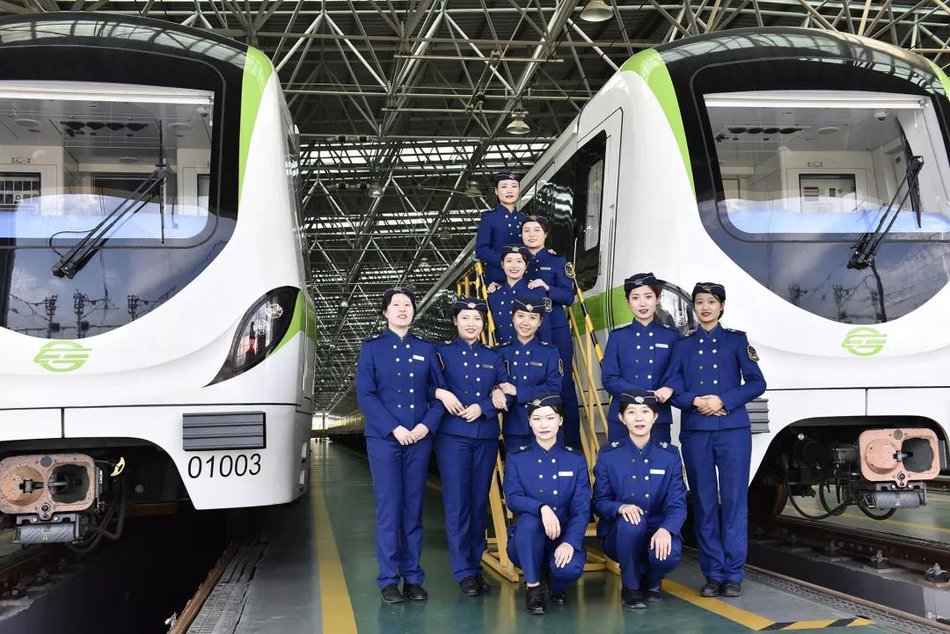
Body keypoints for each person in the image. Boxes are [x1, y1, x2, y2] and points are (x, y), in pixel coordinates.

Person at [662, 282, 766, 598]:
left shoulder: (736, 341)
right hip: (697, 432)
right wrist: (695, 401)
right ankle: (712, 574)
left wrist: (723, 400)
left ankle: (733, 574)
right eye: (700, 302)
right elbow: (672, 386)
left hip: (733, 431)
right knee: (704, 503)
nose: (705, 307)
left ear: (721, 306)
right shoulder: (683, 345)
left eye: (711, 301)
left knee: (734, 502)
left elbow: (756, 383)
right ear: (693, 306)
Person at [355, 287, 445, 604]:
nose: (403, 309)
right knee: (389, 509)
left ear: (414, 311)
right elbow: (366, 394)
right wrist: (394, 428)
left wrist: (425, 426)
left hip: (418, 440)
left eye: (408, 304)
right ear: (385, 312)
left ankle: (414, 578)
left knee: (413, 510)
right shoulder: (372, 349)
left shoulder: (426, 349)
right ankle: (389, 579)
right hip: (384, 440)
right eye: (396, 305)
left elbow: (439, 393)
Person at [433, 298, 510, 596]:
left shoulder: (493, 356)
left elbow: (506, 392)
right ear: (455, 321)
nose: (471, 323)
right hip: (452, 437)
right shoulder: (441, 353)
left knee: (478, 504)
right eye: (465, 317)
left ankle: (475, 567)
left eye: (477, 318)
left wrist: (485, 406)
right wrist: (440, 392)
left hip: (485, 436)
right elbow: (425, 385)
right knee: (458, 504)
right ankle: (463, 571)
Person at [593, 391, 687, 609]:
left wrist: (666, 529)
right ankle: (631, 587)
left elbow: (677, 503)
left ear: (655, 417)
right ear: (621, 418)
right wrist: (620, 507)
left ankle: (653, 581)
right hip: (621, 534)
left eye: (645, 412)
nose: (639, 418)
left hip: (657, 529)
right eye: (631, 412)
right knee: (631, 522)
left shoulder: (670, 455)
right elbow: (599, 501)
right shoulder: (608, 455)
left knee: (668, 555)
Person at [503, 393, 590, 615]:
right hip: (527, 541)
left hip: (562, 537)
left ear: (560, 420)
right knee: (529, 521)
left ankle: (554, 585)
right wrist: (541, 508)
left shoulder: (575, 459)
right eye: (537, 418)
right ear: (530, 422)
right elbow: (513, 498)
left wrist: (570, 542)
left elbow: (581, 509)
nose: (543, 425)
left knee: (568, 570)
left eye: (550, 418)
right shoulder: (516, 457)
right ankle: (533, 588)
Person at [521, 215, 580, 449]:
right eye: (527, 230)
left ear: (545, 234)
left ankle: (571, 444)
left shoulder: (558, 261)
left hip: (556, 330)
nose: (531, 234)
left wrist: (548, 288)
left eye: (536, 230)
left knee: (564, 384)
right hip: (527, 331)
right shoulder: (517, 261)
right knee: (530, 381)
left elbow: (568, 296)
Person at [601, 273, 681, 443]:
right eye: (635, 298)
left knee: (659, 459)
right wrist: (641, 394)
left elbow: (680, 371)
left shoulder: (672, 336)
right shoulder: (618, 337)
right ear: (627, 302)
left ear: (658, 299)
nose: (642, 303)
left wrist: (670, 388)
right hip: (623, 416)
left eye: (648, 296)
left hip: (658, 416)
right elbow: (609, 378)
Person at [494, 294, 562, 451]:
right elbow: (494, 382)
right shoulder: (501, 352)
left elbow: (554, 388)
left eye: (532, 318)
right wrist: (496, 390)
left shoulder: (549, 352)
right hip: (514, 427)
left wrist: (518, 391)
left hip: (544, 427)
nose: (525, 322)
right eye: (520, 316)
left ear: (540, 322)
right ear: (513, 318)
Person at [487, 244, 552, 345]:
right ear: (502, 264)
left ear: (526, 265)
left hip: (529, 350)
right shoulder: (494, 294)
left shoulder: (536, 290)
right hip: (501, 351)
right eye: (509, 261)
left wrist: (545, 350)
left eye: (519, 261)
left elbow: (544, 327)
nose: (514, 266)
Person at [476, 172, 526, 285]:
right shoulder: (489, 218)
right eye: (504, 186)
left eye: (514, 186)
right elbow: (481, 250)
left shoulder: (524, 219)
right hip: (497, 280)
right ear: (496, 191)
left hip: (523, 279)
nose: (509, 191)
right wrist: (506, 262)